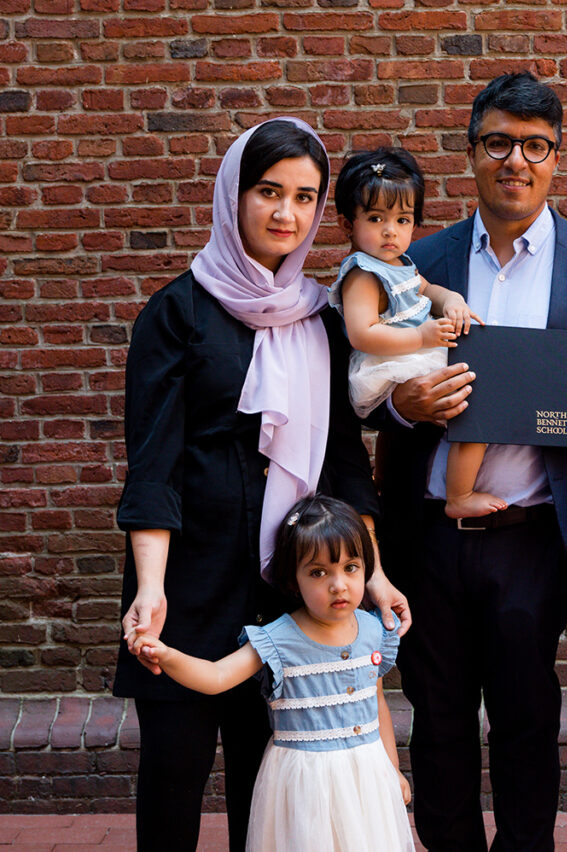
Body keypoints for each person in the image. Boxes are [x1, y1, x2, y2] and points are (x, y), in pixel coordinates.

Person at [372, 71, 567, 852]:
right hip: (429, 534)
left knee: (526, 716)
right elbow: (369, 384)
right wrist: (401, 407)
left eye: (535, 146)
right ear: (471, 152)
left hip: (533, 534)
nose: (516, 159)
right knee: (437, 718)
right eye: (498, 142)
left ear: (556, 158)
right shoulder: (417, 259)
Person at [113, 117, 410, 852]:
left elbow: (345, 466)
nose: (286, 213)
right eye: (268, 191)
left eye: (305, 198)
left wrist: (372, 575)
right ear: (233, 194)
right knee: (175, 778)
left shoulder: (320, 317)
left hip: (287, 590)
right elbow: (151, 465)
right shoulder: (176, 314)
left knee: (269, 787)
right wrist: (152, 590)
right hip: (186, 584)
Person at [132, 495, 415, 852]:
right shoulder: (278, 639)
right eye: (318, 572)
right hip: (304, 785)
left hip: (365, 777)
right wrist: (167, 655)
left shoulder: (374, 630)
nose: (338, 585)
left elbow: (375, 703)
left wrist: (392, 769)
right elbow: (217, 676)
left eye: (351, 567)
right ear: (294, 581)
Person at [329, 147, 504, 518]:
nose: (391, 231)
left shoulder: (401, 264)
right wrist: (422, 337)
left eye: (403, 220)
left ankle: (460, 491)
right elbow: (362, 334)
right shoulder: (363, 273)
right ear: (348, 225)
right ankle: (459, 496)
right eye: (376, 218)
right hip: (393, 361)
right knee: (479, 411)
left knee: (479, 410)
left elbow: (428, 290)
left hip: (418, 353)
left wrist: (453, 300)